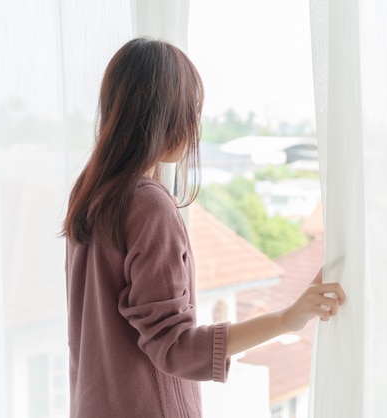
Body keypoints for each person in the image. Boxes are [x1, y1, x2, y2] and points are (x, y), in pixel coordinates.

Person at [62, 37, 345, 418]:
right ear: (165, 117)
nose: (196, 124)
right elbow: (174, 346)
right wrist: (285, 319)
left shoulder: (90, 192)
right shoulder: (147, 205)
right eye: (191, 110)